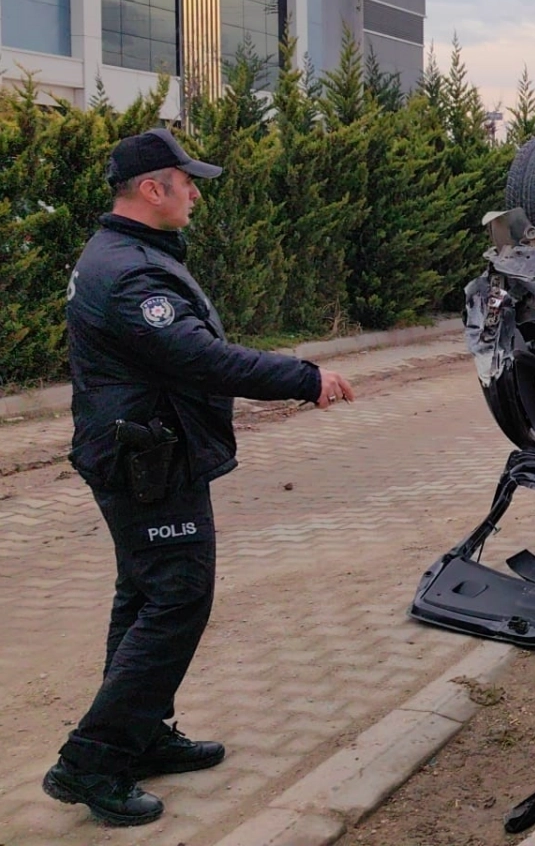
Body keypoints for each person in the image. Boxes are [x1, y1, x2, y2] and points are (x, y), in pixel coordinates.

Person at [44, 128, 356, 827]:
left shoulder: (126, 253)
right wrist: (304, 377)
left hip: (145, 451)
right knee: (176, 599)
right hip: (146, 460)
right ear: (152, 188)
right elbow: (201, 358)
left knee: (144, 596)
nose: (195, 194)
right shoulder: (130, 272)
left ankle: (141, 733)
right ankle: (92, 761)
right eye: (187, 183)